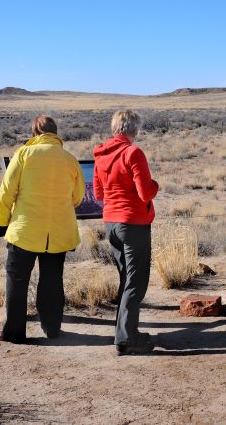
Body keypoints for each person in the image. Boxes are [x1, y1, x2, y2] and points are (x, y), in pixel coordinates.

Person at [0, 115, 85, 343]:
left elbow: (7, 191)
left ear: (35, 132)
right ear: (55, 133)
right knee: (53, 280)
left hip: (25, 231)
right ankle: (52, 328)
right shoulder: (70, 159)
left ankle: (14, 332)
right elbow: (78, 197)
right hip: (58, 232)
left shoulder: (24, 154)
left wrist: (2, 221)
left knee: (17, 279)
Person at [93, 110, 159, 356]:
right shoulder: (133, 152)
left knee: (126, 279)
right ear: (134, 130)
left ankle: (124, 332)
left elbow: (99, 195)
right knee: (136, 280)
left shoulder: (101, 155)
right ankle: (127, 338)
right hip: (133, 224)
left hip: (111, 223)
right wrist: (156, 186)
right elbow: (146, 193)